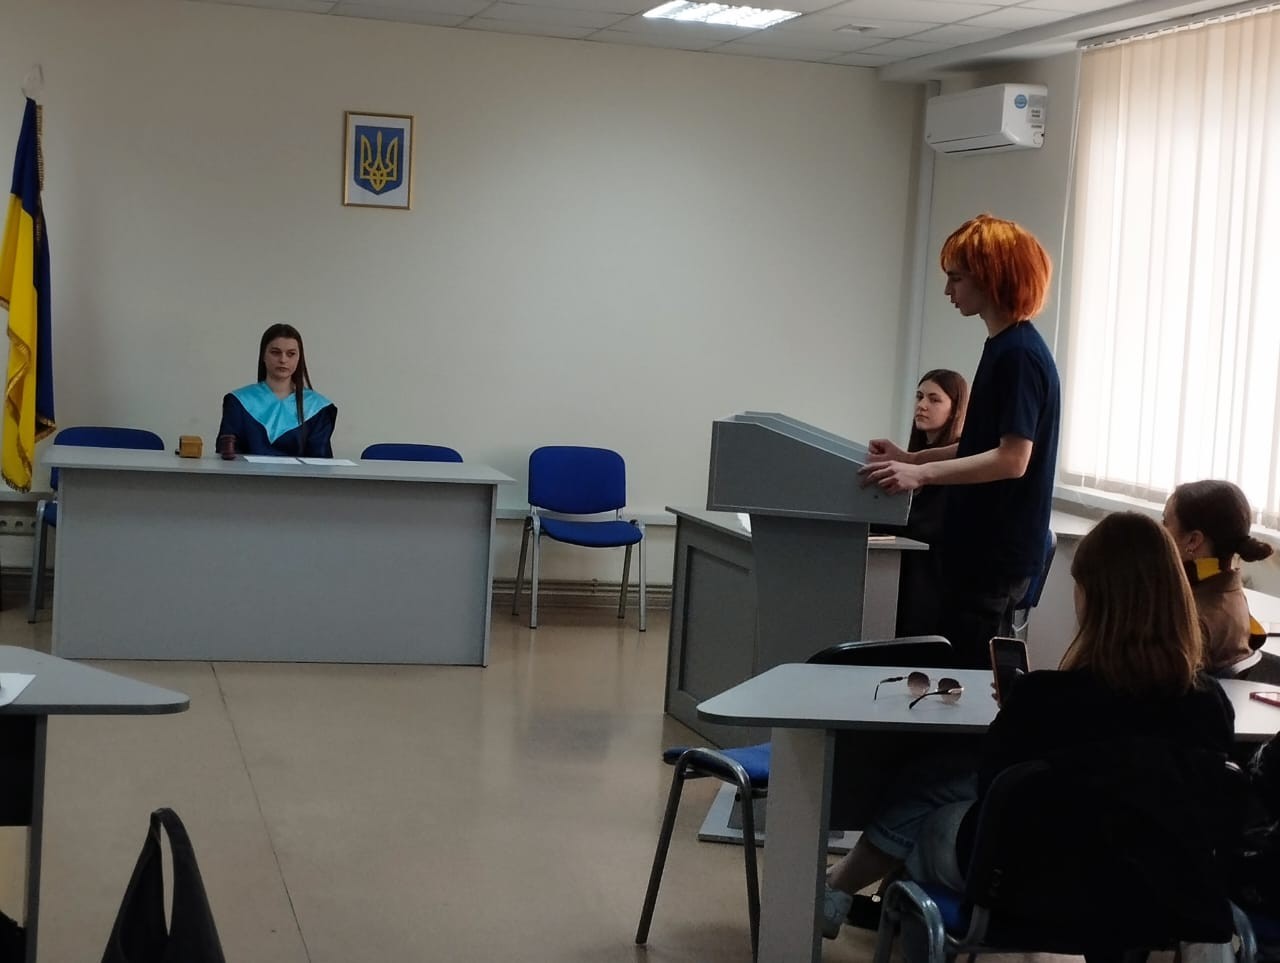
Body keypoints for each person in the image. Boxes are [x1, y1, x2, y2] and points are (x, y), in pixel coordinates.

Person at [823, 512, 1235, 945]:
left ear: (1093, 596)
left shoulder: (1046, 699)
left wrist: (1016, 713)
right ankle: (851, 892)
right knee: (940, 779)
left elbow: (994, 788)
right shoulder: (1210, 704)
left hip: (1026, 886)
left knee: (930, 810)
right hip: (1156, 890)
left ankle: (855, 896)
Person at [861, 214, 1061, 668]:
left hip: (995, 554)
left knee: (970, 676)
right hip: (977, 549)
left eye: (956, 278)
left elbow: (1012, 459)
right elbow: (979, 444)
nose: (949, 291)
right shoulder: (1004, 346)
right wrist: (912, 458)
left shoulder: (1019, 355)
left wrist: (923, 474)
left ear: (991, 277)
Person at [1162, 479, 1278, 681]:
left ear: (1193, 541)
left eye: (1165, 523)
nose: (1159, 530)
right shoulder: (1230, 592)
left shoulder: (1191, 618)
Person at [885, 370, 969, 637]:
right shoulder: (913, 457)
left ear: (955, 410)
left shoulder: (960, 462)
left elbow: (929, 526)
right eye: (919, 397)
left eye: (934, 399)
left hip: (936, 576)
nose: (922, 405)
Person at [218, 324, 337, 458]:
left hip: (300, 473)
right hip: (246, 472)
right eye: (275, 352)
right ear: (263, 356)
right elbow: (227, 457)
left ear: (299, 358)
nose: (283, 360)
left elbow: (320, 462)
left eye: (291, 354)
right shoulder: (238, 402)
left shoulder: (318, 408)